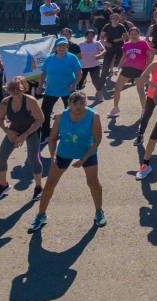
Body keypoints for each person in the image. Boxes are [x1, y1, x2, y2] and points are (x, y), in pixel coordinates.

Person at [28, 91, 105, 232]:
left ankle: (99, 212)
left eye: (82, 103)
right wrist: (53, 156)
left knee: (93, 182)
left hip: (87, 152)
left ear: (86, 103)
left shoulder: (94, 116)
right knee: (50, 183)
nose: (79, 106)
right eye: (75, 103)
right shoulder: (60, 117)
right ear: (68, 104)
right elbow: (52, 138)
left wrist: (84, 159)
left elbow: (97, 140)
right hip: (64, 152)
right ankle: (41, 215)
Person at [0, 77, 46, 201]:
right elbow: (0, 119)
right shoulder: (5, 102)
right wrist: (7, 130)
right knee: (1, 158)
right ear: (8, 89)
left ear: (24, 88)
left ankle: (39, 187)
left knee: (33, 159)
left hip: (31, 131)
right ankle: (3, 185)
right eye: (12, 88)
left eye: (18, 88)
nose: (15, 91)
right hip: (14, 130)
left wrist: (25, 134)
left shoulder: (30, 101)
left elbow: (40, 119)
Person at [37, 37, 82, 144]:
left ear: (67, 47)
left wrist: (73, 85)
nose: (62, 47)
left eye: (64, 45)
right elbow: (43, 74)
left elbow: (79, 73)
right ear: (55, 47)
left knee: (71, 112)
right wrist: (40, 86)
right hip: (51, 90)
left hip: (68, 90)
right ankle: (45, 134)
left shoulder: (72, 58)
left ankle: (69, 133)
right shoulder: (49, 58)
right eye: (59, 45)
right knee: (45, 113)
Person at [107, 27, 149, 117]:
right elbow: (123, 57)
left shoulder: (143, 43)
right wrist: (118, 68)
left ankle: (144, 110)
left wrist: (147, 69)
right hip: (127, 69)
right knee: (117, 89)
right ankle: (115, 108)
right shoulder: (126, 44)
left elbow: (149, 56)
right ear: (129, 35)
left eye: (135, 34)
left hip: (139, 70)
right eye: (132, 34)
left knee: (141, 91)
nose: (134, 36)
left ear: (138, 34)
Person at [99, 13, 128, 86]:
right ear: (111, 19)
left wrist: (119, 39)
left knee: (123, 61)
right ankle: (102, 79)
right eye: (113, 18)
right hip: (110, 45)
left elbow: (126, 36)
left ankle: (129, 76)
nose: (115, 20)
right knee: (106, 62)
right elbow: (101, 37)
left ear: (119, 20)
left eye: (116, 18)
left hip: (119, 45)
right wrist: (106, 43)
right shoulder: (107, 26)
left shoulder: (121, 26)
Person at [77, 29, 105, 99]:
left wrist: (99, 55)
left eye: (92, 36)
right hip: (83, 66)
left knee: (96, 81)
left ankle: (100, 95)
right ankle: (78, 96)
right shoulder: (81, 44)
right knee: (80, 81)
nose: (90, 37)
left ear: (94, 36)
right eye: (88, 36)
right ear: (85, 36)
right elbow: (77, 54)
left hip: (94, 66)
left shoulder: (97, 43)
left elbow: (104, 50)